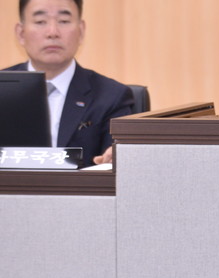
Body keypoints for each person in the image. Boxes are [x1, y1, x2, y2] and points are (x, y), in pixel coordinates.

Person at [5, 0, 134, 166]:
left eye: (64, 21)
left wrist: (115, 159)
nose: (52, 32)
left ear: (81, 31)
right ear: (21, 33)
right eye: (40, 22)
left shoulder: (112, 97)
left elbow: (117, 162)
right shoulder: (3, 89)